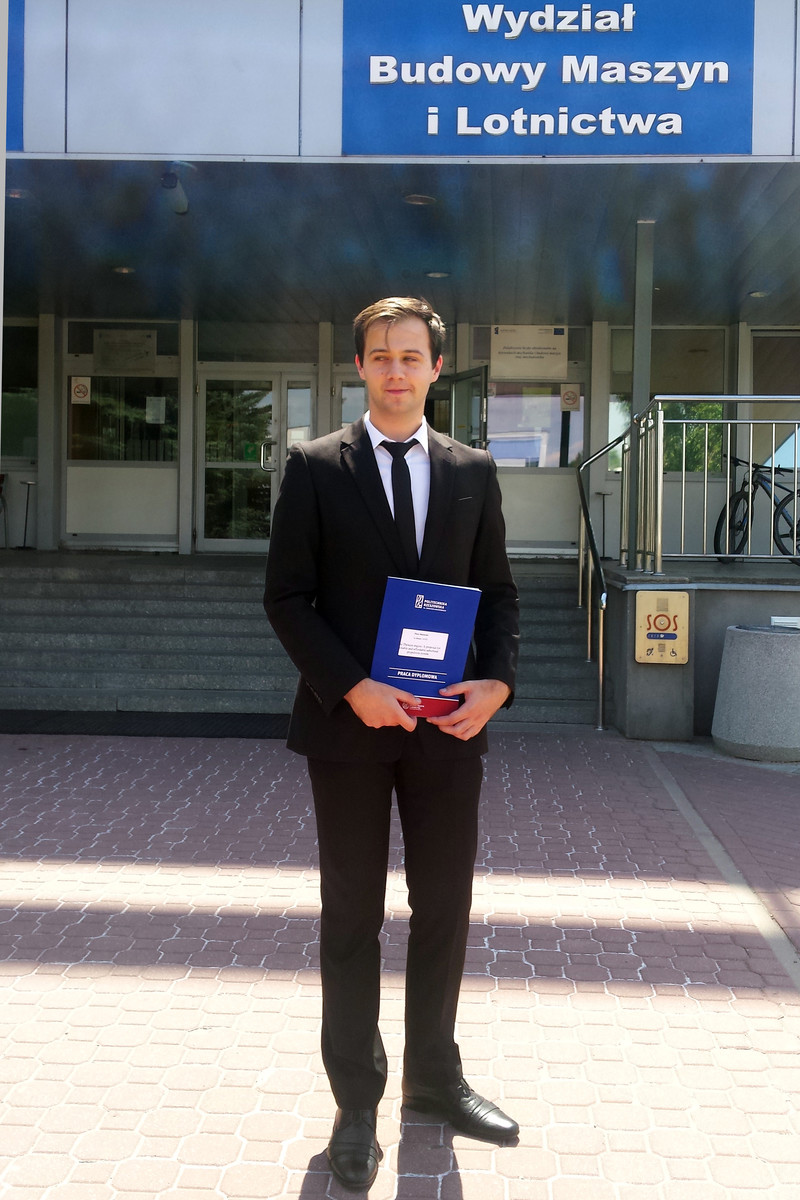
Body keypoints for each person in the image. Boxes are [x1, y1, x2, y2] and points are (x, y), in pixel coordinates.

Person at [264, 297, 520, 1191]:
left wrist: (498, 684)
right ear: (362, 367)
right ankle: (356, 1102)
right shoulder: (314, 467)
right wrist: (352, 687)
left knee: (444, 907)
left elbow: (498, 593)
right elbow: (286, 598)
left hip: (447, 729)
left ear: (436, 367)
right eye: (381, 356)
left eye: (412, 356)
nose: (397, 370)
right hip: (349, 732)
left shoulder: (472, 470)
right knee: (352, 918)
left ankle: (435, 1079)